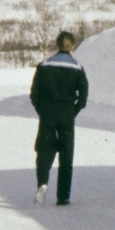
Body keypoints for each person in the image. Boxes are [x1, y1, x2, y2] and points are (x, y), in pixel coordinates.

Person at [30, 31, 88, 206]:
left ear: (57, 45)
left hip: (47, 114)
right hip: (66, 115)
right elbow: (83, 97)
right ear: (73, 46)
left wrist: (43, 111)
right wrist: (72, 111)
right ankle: (63, 197)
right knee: (66, 155)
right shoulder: (77, 68)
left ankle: (42, 183)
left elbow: (34, 94)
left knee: (44, 151)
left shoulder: (44, 65)